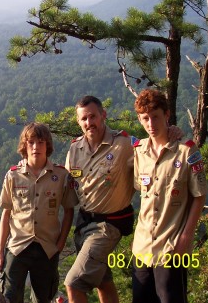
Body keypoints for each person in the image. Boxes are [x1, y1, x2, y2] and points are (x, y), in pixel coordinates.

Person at [131, 89, 207, 303]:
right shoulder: (139, 151)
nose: (151, 124)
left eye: (155, 116)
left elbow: (199, 196)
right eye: (145, 118)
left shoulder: (187, 151)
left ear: (166, 114)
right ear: (139, 119)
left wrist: (186, 237)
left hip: (171, 246)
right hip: (142, 246)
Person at [0, 122, 78, 303]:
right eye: (31, 142)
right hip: (17, 247)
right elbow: (6, 214)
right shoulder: (13, 175)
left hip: (47, 249)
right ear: (24, 145)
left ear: (47, 145)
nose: (35, 147)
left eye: (40, 142)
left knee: (43, 298)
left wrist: (60, 244)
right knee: (10, 296)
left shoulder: (61, 176)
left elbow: (69, 210)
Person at [63, 95, 135, 303]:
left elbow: (154, 147)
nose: (89, 123)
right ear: (78, 122)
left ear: (103, 115)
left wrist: (173, 133)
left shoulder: (123, 144)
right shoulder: (76, 148)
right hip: (84, 223)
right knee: (103, 281)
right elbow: (67, 183)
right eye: (83, 119)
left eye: (93, 116)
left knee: (74, 283)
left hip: (108, 226)